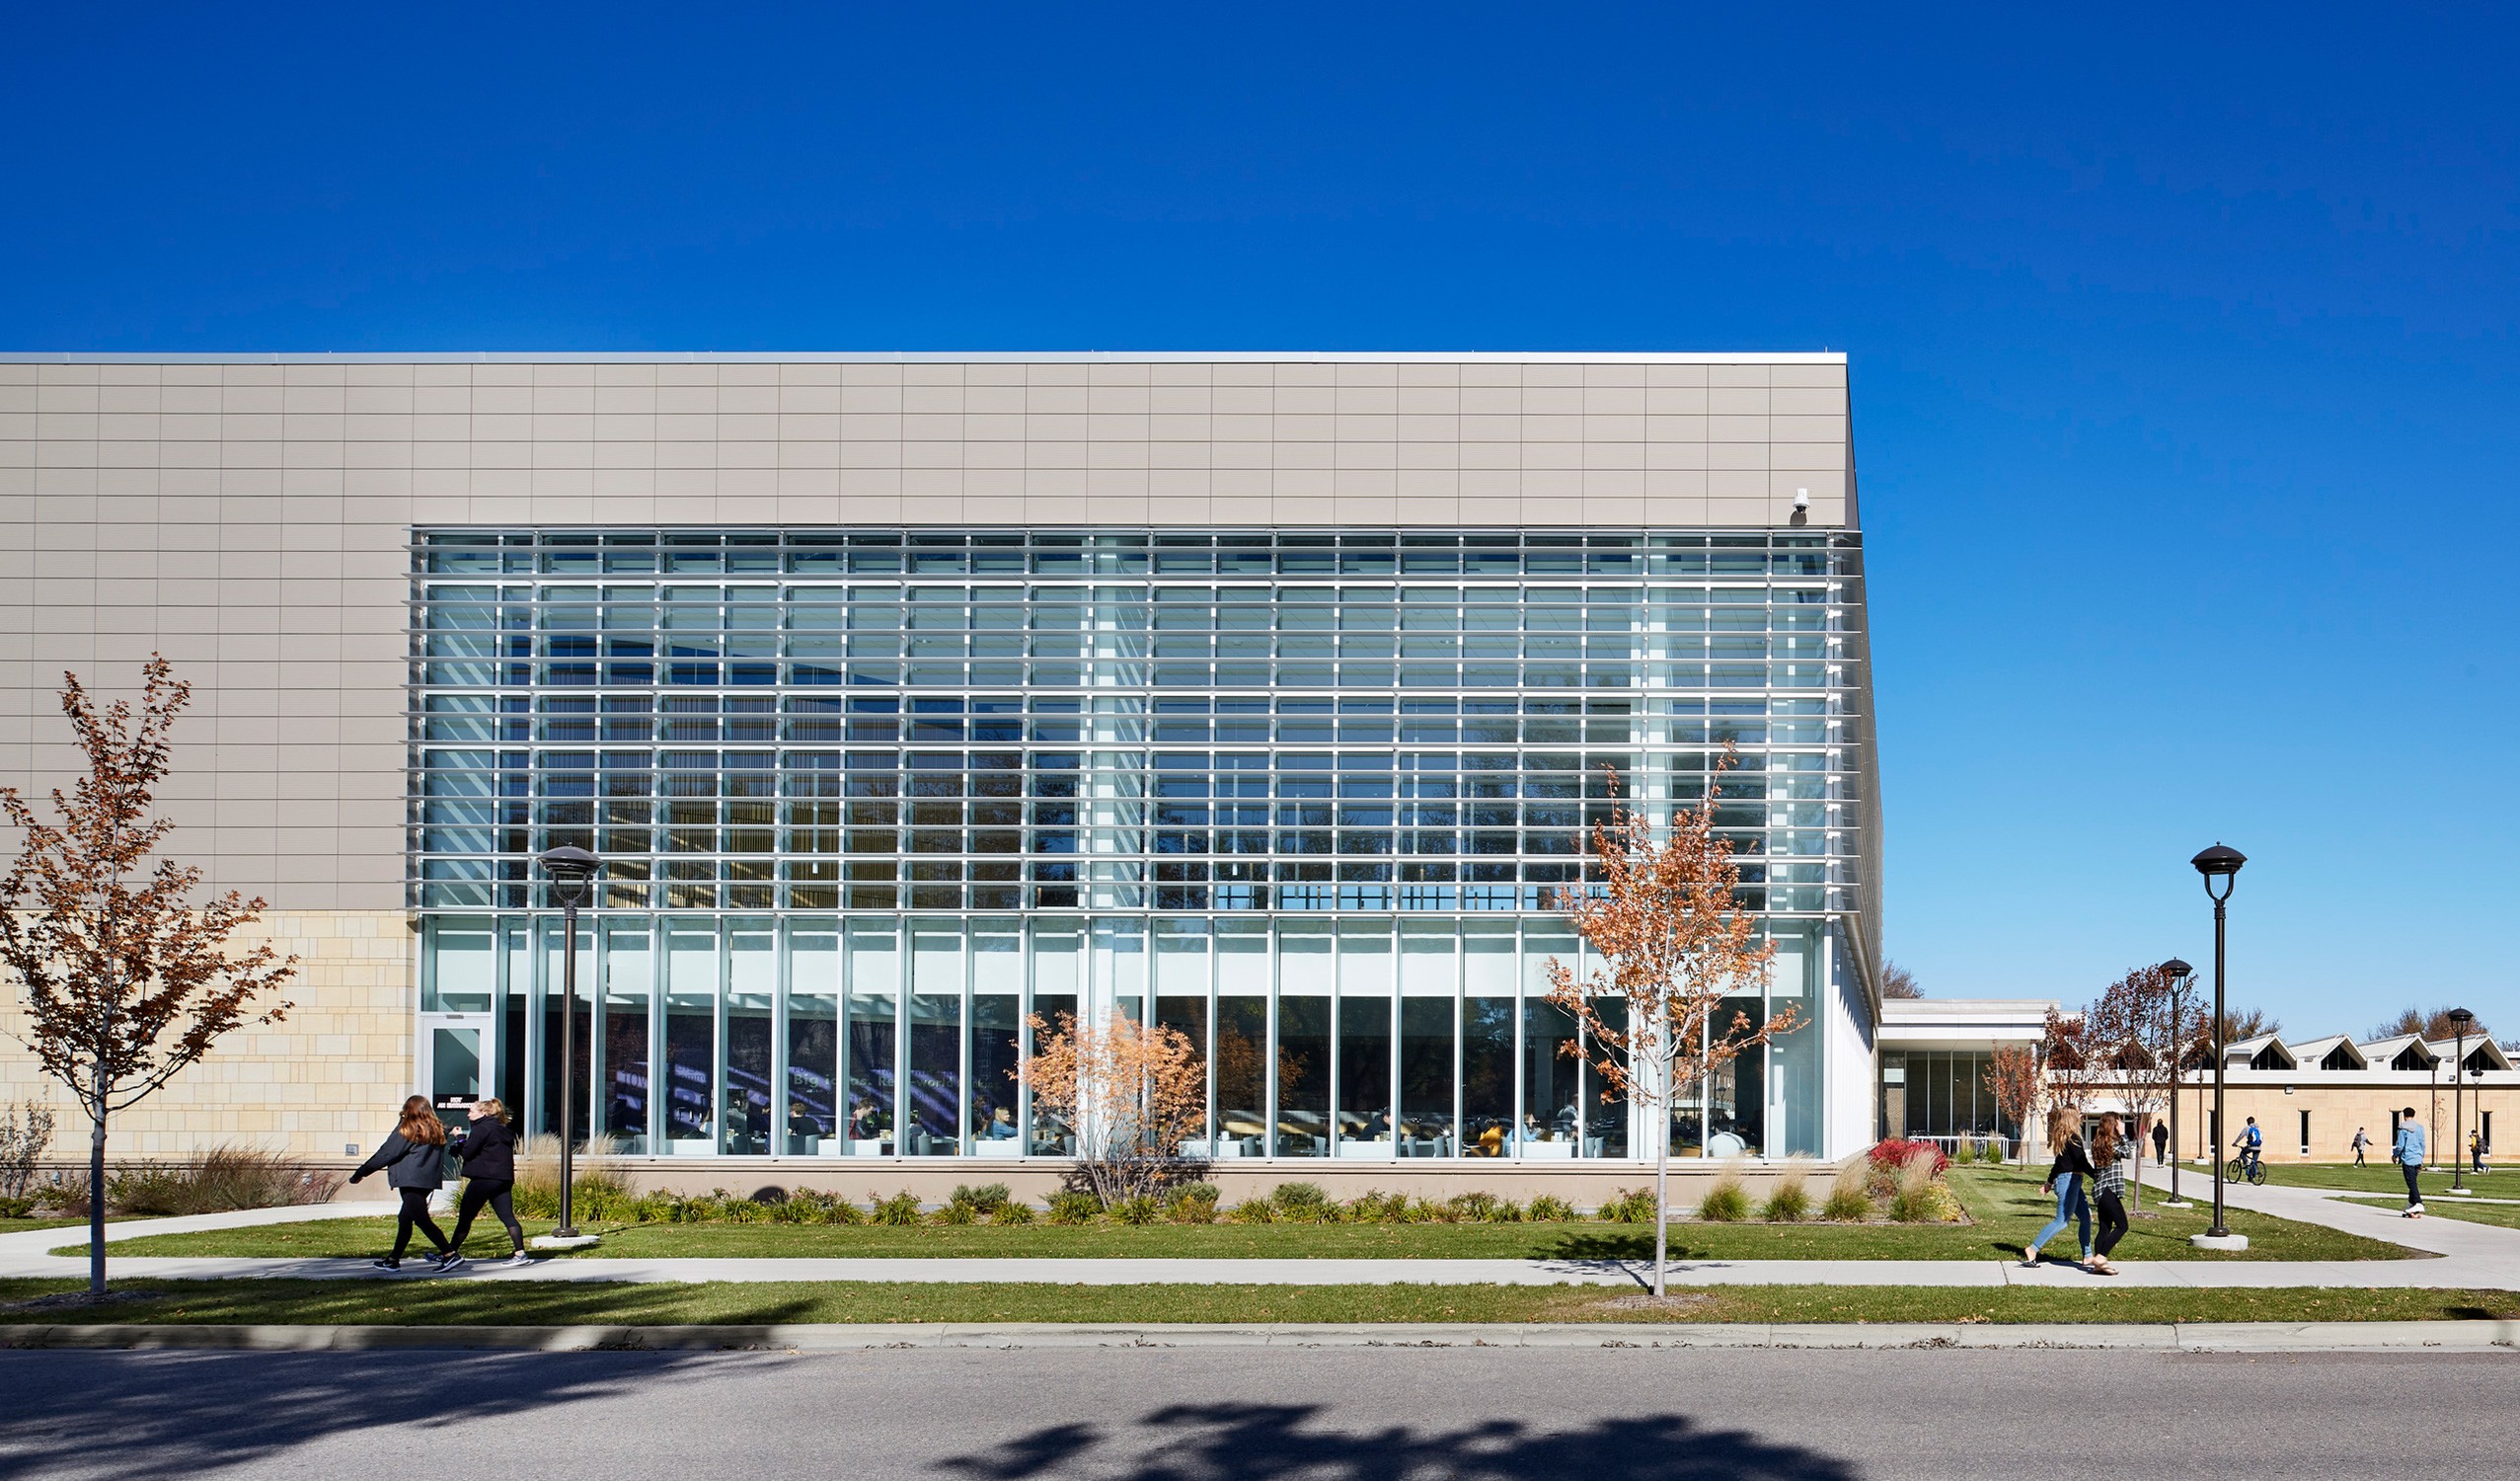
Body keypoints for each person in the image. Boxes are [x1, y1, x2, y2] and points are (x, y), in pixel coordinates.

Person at [347, 1095, 454, 1271]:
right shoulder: (436, 1130)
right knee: (405, 1218)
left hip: (410, 1180)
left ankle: (449, 1253)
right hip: (426, 1181)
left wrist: (361, 1172)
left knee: (421, 1220)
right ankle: (393, 1259)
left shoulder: (408, 1130)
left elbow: (387, 1153)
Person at [441, 1096, 531, 1270]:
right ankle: (520, 1252)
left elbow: (468, 1152)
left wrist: (459, 1137)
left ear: (483, 1113)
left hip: (483, 1179)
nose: (468, 1114)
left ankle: (450, 1253)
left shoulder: (482, 1129)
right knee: (507, 1216)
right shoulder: (502, 1129)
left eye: (472, 1111)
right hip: (503, 1179)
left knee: (465, 1218)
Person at [2024, 1106, 2094, 1270]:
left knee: (2085, 1217)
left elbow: (2058, 1164)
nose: (2081, 1117)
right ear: (2072, 1118)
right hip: (2069, 1183)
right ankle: (2033, 1249)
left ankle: (2088, 1255)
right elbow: (2081, 1162)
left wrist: (2049, 1183)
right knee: (2062, 1221)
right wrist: (2098, 1176)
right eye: (2078, 1115)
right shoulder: (2073, 1139)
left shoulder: (2065, 1138)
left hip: (2071, 1182)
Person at [2087, 1113, 2130, 1277]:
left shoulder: (2098, 1142)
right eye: (2118, 1122)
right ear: (2113, 1125)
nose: (2120, 1124)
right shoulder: (2112, 1143)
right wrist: (2124, 1133)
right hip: (2108, 1190)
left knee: (2105, 1228)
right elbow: (2128, 1152)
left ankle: (2098, 1267)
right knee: (2122, 1226)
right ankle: (2101, 1257)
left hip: (2100, 1191)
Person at [2394, 1109, 2426, 1217]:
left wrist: (2395, 1155)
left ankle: (2418, 1202)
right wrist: (2421, 1158)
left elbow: (2400, 1146)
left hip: (2408, 1159)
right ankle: (2411, 1203)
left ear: (2404, 1116)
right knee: (2413, 1182)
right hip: (2417, 1159)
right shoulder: (2420, 1128)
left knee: (2411, 1183)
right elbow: (2423, 1144)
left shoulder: (2402, 1129)